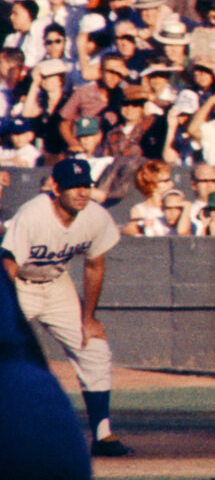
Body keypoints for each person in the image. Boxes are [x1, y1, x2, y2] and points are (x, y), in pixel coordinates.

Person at [0, 159, 133, 457]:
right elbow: (9, 265)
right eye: (74, 186)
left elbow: (94, 265)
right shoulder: (34, 214)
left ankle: (102, 435)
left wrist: (89, 318)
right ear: (56, 188)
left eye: (86, 185)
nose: (82, 192)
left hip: (57, 285)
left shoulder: (95, 217)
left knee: (95, 349)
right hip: (18, 283)